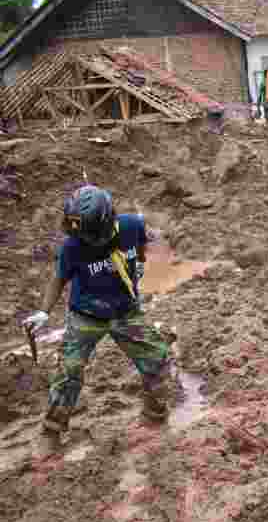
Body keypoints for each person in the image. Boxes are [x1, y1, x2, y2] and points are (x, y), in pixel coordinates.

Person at [21, 186, 171, 450]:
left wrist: (138, 265)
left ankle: (155, 415)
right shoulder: (73, 246)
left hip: (126, 310)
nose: (88, 240)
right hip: (86, 314)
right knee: (69, 371)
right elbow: (59, 278)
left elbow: (143, 245)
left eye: (91, 235)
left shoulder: (132, 226)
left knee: (156, 358)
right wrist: (44, 312)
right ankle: (51, 431)